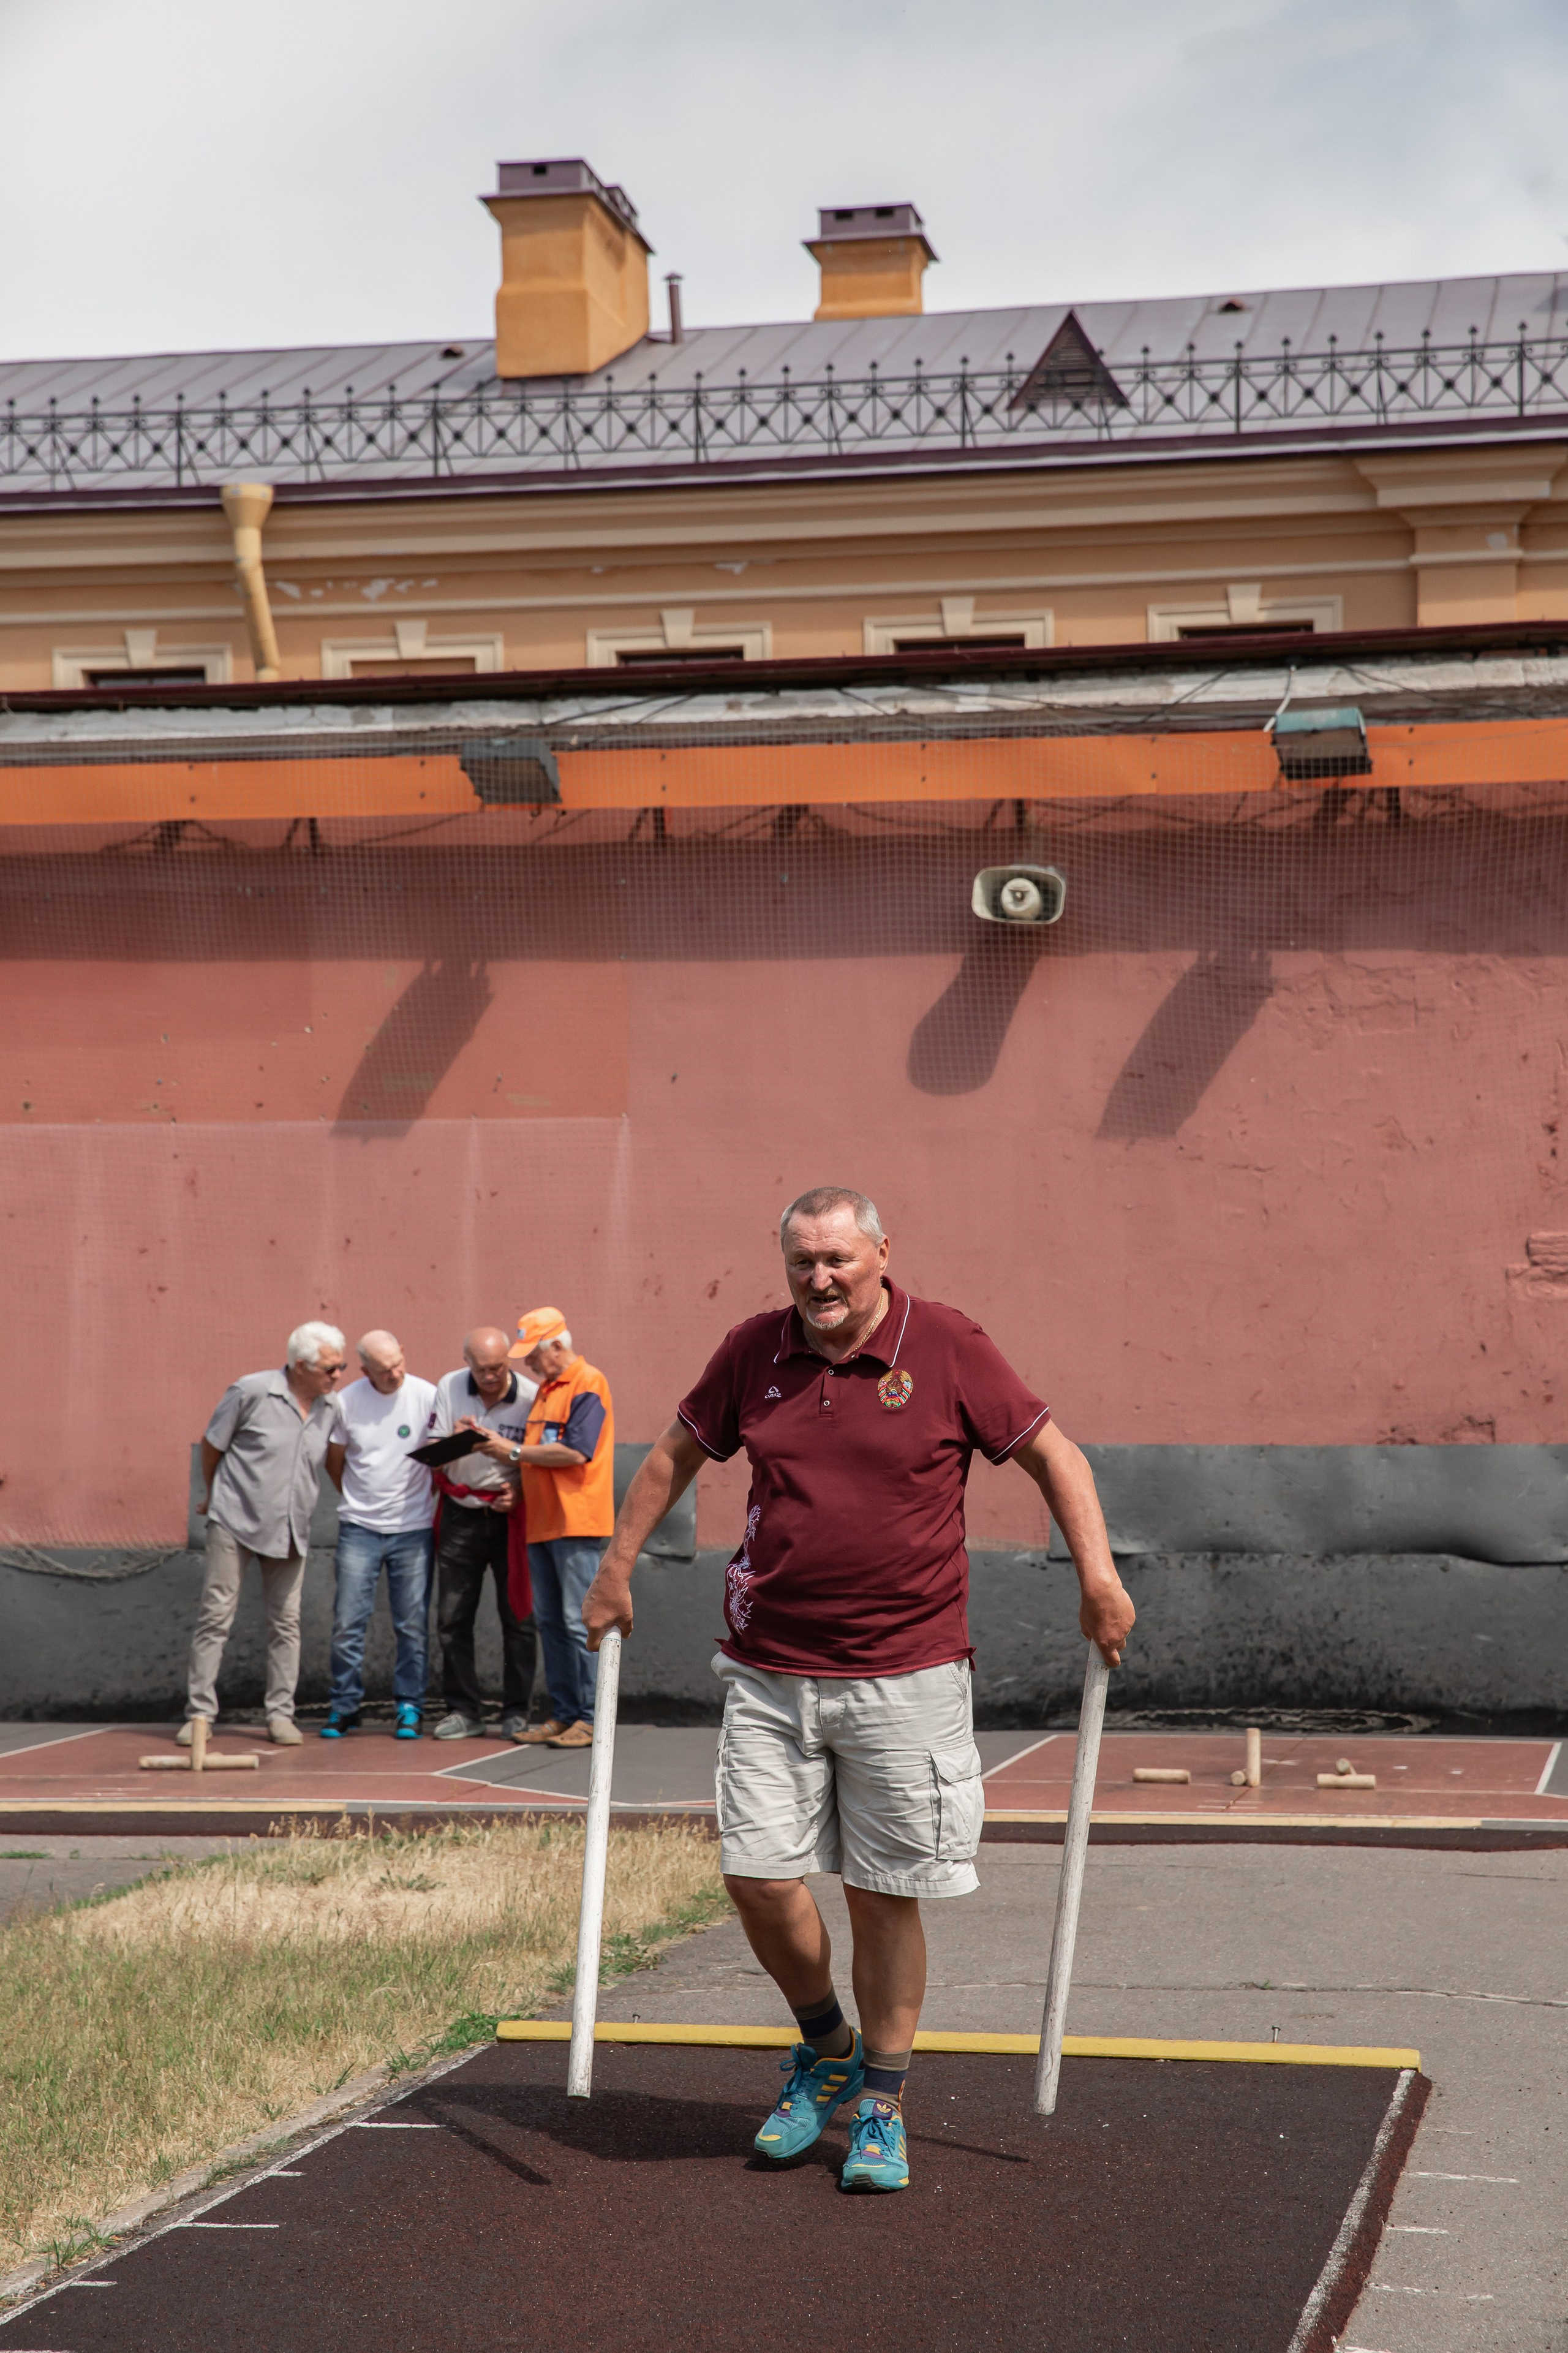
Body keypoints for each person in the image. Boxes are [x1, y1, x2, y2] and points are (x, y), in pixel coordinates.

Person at [583, 1187, 1134, 2194]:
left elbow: (1056, 1455)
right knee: (756, 1875)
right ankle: (824, 2042)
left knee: (885, 1898)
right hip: (769, 1670)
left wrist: (1097, 1577)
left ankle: (881, 2101)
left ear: (882, 1253)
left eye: (838, 1259)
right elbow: (672, 1454)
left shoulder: (951, 1346)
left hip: (907, 1673)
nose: (820, 1279)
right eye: (802, 1262)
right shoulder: (755, 1350)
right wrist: (616, 1566)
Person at [185, 1320, 348, 1746]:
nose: (338, 1376)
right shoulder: (251, 1391)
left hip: (292, 1527)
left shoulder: (331, 1408)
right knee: (216, 1616)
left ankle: (280, 1715)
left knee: (286, 1623)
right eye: (330, 1368)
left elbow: (334, 1462)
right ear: (300, 1365)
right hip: (235, 1519)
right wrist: (210, 1494)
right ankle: (199, 1715)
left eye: (341, 1367)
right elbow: (212, 1445)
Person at [465, 1307, 614, 1748]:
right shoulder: (547, 1389)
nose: (526, 1363)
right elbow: (538, 1454)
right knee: (550, 1622)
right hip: (542, 1523)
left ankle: (591, 1717)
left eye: (532, 1354)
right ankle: (566, 1713)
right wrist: (519, 1488)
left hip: (577, 1522)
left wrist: (510, 1452)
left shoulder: (589, 1382)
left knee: (576, 1622)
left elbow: (575, 1451)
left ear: (556, 1345)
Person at [319, 1330, 439, 1741]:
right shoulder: (347, 1401)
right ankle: (344, 1705)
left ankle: (410, 1705)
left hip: (415, 1528)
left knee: (412, 1623)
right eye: (383, 1369)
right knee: (348, 1622)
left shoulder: (428, 1395)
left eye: (398, 1364)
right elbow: (335, 1461)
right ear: (365, 1369)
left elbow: (441, 1460)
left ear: (404, 1351)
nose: (394, 1373)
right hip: (359, 1528)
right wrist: (359, 1500)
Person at [425, 1326, 538, 1740]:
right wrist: (458, 1440)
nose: (491, 1377)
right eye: (483, 1369)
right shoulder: (450, 1386)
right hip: (461, 1512)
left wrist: (520, 1490)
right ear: (466, 1363)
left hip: (511, 1514)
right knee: (452, 1617)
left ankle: (517, 1710)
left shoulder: (529, 1394)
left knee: (520, 1617)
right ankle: (463, 1710)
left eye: (499, 1367)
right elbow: (433, 1458)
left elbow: (539, 1459)